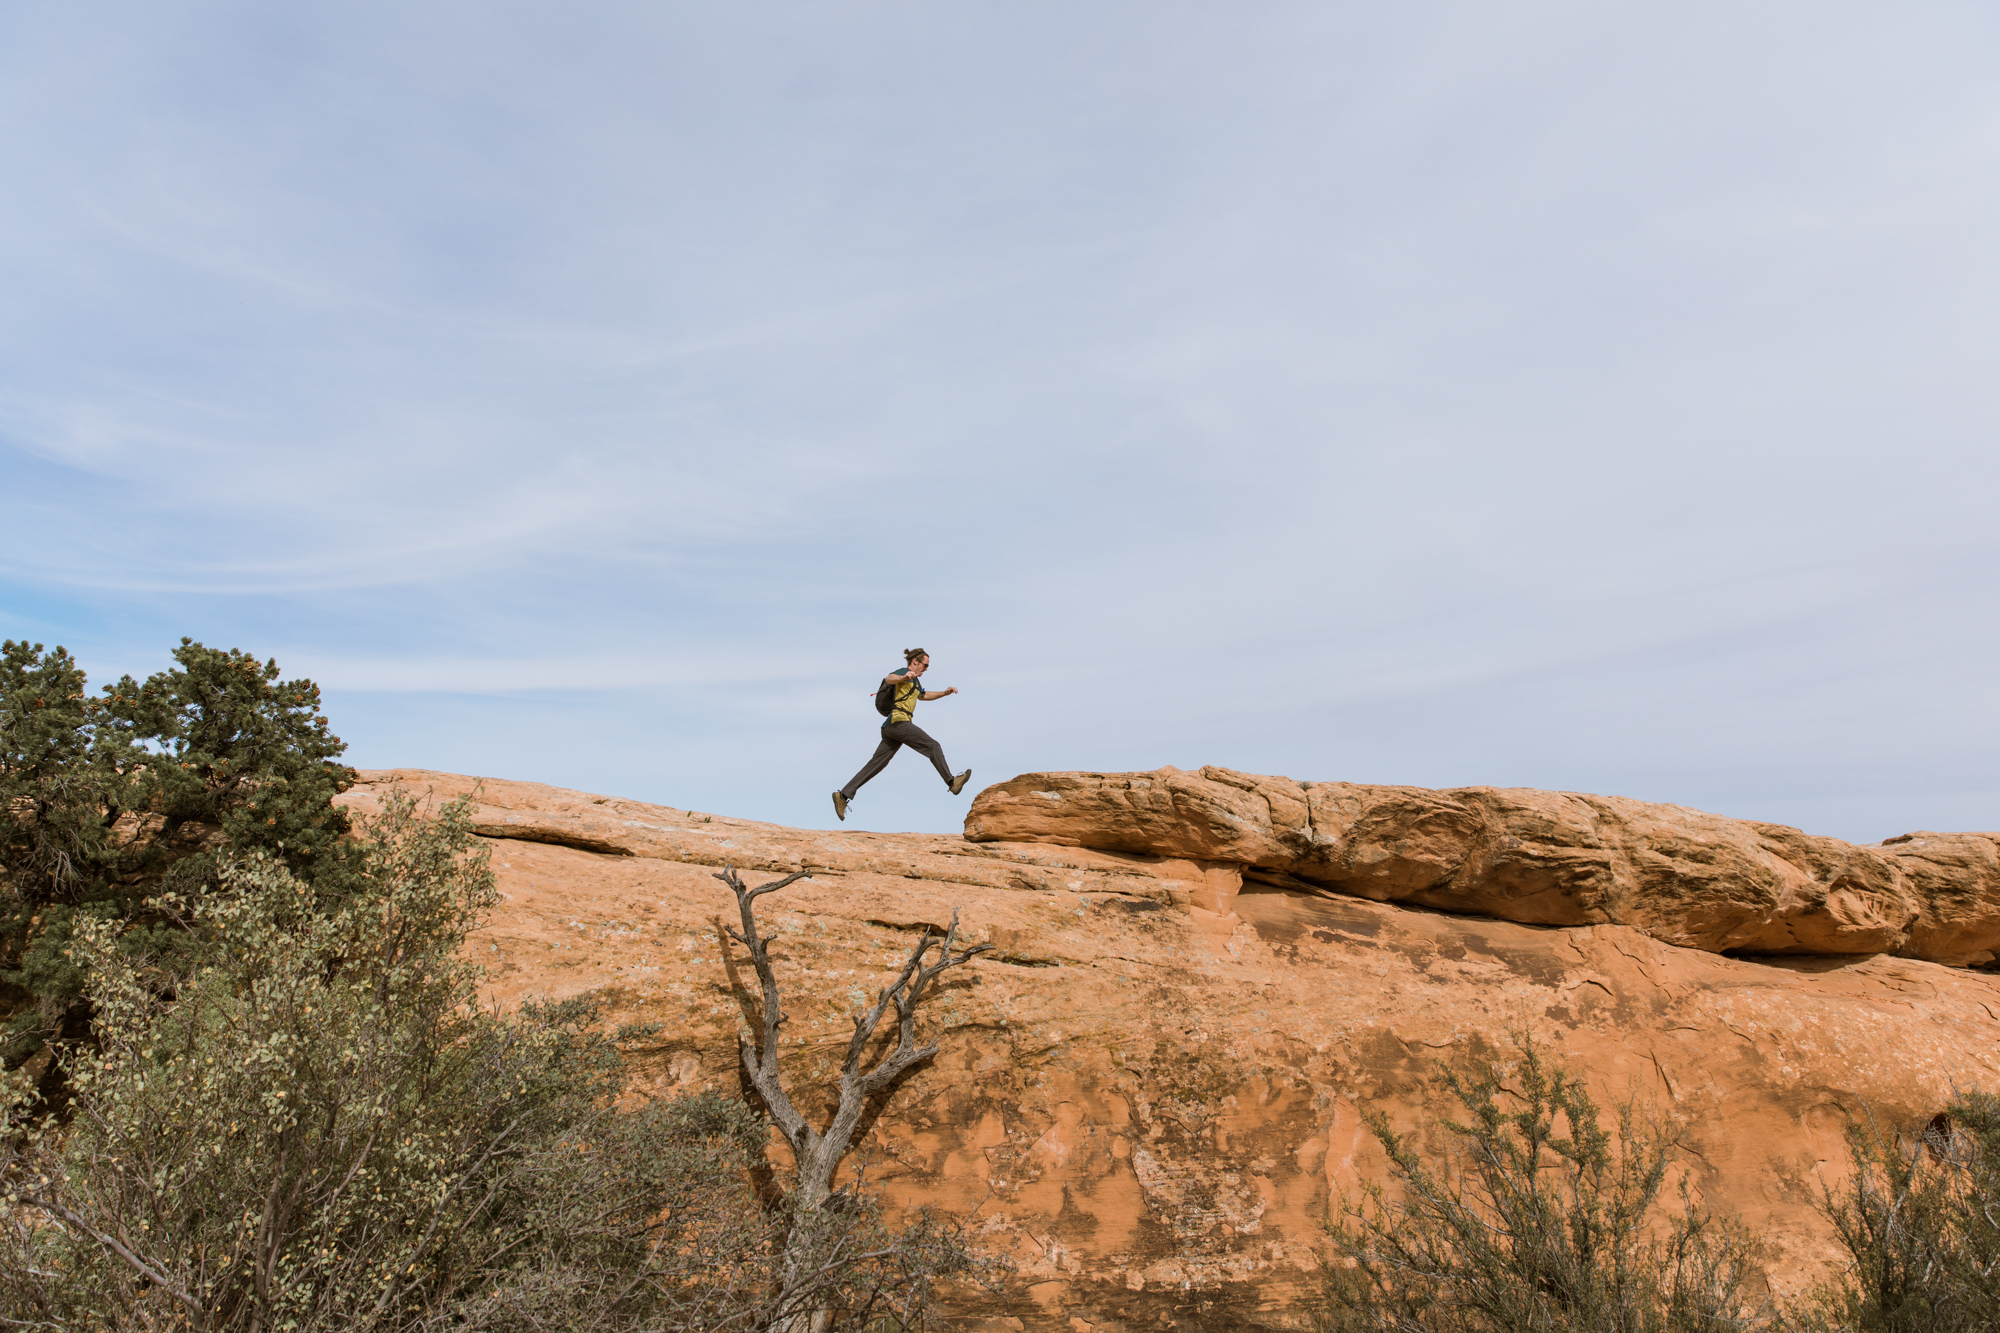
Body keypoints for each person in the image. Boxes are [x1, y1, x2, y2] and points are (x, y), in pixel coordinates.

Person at [832, 648, 970, 821]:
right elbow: (888, 678)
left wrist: (945, 692)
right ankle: (952, 782)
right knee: (933, 746)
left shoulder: (915, 682)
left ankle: (843, 796)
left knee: (876, 764)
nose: (926, 669)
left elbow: (923, 695)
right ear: (915, 662)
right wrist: (903, 677)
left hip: (891, 727)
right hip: (899, 723)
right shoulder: (905, 673)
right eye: (925, 665)